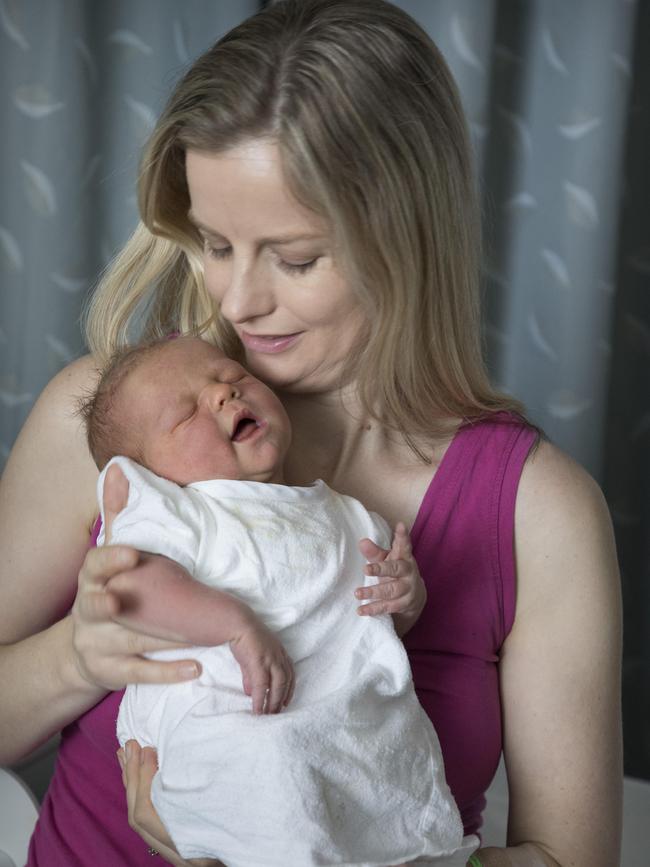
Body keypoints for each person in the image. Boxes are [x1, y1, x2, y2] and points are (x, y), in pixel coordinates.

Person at [0, 1, 622, 865]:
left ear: (404, 239)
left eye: (293, 258)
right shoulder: (114, 427)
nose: (237, 301)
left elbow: (566, 856)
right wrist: (79, 656)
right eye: (215, 243)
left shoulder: (537, 514)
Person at [84, 333, 475, 865]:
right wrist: (235, 625)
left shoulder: (347, 517)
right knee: (271, 766)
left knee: (381, 778)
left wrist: (404, 595)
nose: (223, 395)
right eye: (184, 414)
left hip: (337, 725)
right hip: (223, 725)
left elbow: (359, 631)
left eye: (232, 377)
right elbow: (130, 588)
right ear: (150, 473)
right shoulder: (183, 512)